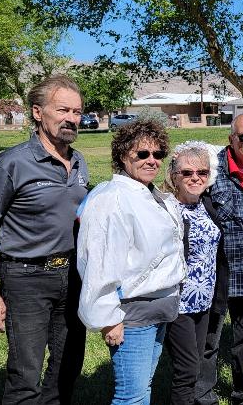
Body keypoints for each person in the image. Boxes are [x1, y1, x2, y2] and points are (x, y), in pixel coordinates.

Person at [0, 74, 88, 404]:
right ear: (37, 112)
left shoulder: (79, 162)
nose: (72, 119)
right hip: (26, 279)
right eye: (63, 110)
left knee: (67, 367)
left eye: (77, 112)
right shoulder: (11, 163)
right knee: (25, 376)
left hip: (73, 276)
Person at [76, 119, 187, 404]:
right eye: (142, 154)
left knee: (144, 387)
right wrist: (108, 319)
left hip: (160, 306)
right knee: (131, 396)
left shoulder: (151, 195)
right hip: (132, 313)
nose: (152, 161)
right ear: (123, 155)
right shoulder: (111, 198)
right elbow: (98, 261)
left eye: (158, 154)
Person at [196, 114, 243, 405]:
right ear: (231, 139)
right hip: (218, 273)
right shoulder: (211, 171)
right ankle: (202, 396)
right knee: (208, 340)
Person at [163, 141, 221, 405]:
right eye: (187, 172)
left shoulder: (205, 204)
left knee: (195, 365)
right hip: (179, 302)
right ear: (174, 175)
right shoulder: (167, 209)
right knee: (186, 369)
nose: (195, 178)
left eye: (202, 172)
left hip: (204, 300)